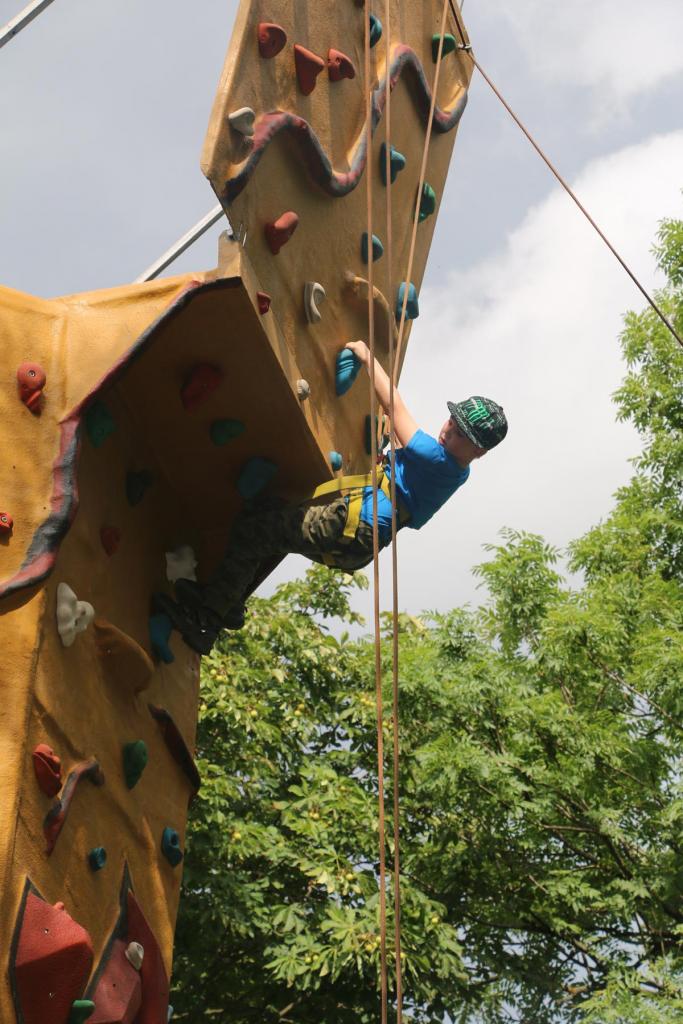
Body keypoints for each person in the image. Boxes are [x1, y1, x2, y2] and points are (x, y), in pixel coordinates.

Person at [154, 340, 508, 654]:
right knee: (265, 512)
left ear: (478, 452)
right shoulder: (453, 470)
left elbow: (394, 406)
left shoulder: (436, 458)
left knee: (258, 533)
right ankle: (226, 599)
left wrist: (366, 356)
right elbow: (406, 459)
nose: (449, 431)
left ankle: (206, 621)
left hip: (353, 526)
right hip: (359, 535)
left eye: (461, 434)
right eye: (451, 421)